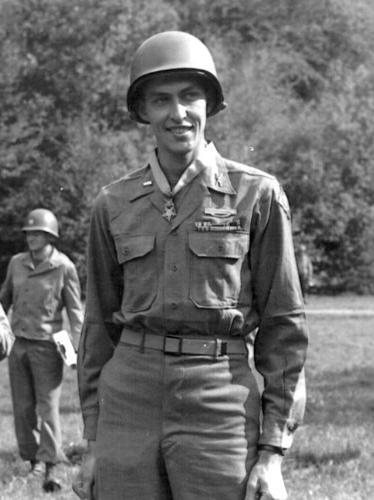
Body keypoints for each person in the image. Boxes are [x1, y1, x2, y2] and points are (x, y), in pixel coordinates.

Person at [73, 31, 308, 500]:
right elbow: (98, 325)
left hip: (219, 397)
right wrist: (95, 441)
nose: (177, 113)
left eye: (189, 97)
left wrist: (272, 453)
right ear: (143, 111)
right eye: (161, 100)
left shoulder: (255, 195)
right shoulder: (114, 203)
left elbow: (285, 325)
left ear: (210, 105)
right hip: (128, 399)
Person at [0, 208, 83, 493]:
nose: (31, 238)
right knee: (22, 410)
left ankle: (53, 467)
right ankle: (33, 461)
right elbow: (3, 300)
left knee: (47, 407)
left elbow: (75, 311)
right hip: (19, 345)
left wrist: (79, 350)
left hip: (48, 347)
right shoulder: (16, 264)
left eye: (38, 234)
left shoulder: (64, 267)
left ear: (50, 237)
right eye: (29, 233)